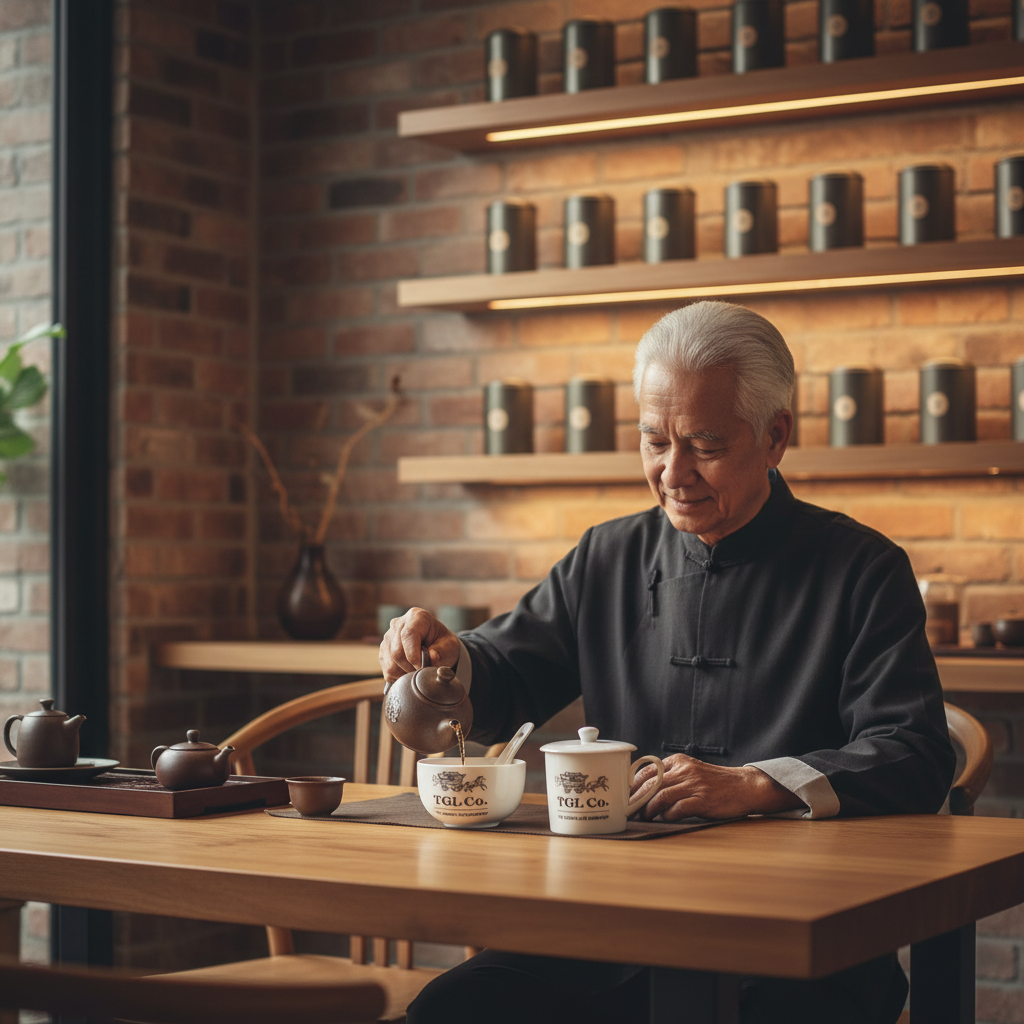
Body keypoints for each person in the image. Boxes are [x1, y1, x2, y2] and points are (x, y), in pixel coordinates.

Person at [381, 301, 955, 1024]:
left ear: (776, 436)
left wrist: (755, 784)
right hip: (612, 922)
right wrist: (445, 657)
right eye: (655, 441)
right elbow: (507, 672)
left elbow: (914, 751)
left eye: (704, 446)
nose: (672, 472)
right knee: (457, 1007)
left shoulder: (863, 569)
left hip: (794, 937)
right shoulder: (606, 557)